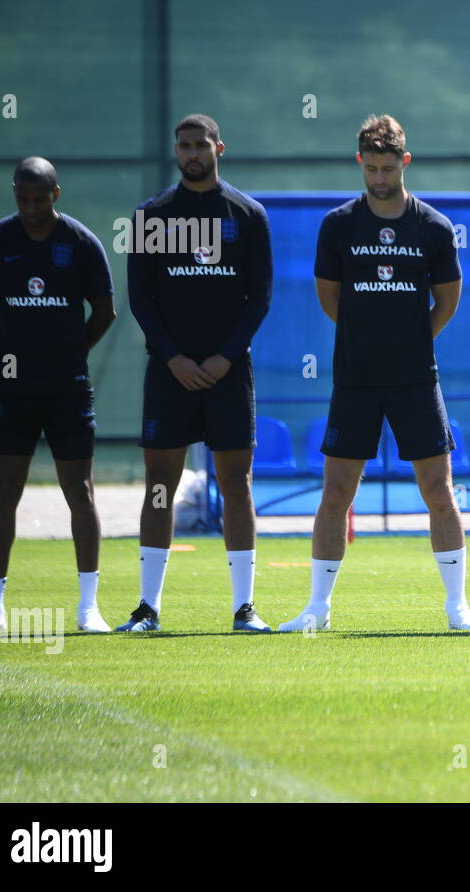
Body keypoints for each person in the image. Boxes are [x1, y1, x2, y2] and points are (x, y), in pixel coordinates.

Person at [277, 114, 470, 633]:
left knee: (439, 490)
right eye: (370, 168)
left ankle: (458, 608)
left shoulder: (433, 227)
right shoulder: (339, 225)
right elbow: (331, 298)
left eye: (387, 168)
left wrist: (409, 341)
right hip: (355, 379)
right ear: (360, 163)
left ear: (404, 163)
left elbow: (448, 301)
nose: (378, 178)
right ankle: (317, 609)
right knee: (336, 492)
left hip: (417, 377)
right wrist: (366, 339)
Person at [117, 114, 273, 633]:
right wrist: (174, 358)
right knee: (160, 485)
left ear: (218, 148)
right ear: (176, 151)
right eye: (183, 145)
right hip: (170, 373)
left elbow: (260, 298)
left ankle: (244, 609)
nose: (191, 153)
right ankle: (147, 608)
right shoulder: (151, 216)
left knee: (236, 483)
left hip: (230, 371)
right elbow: (141, 298)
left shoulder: (248, 215)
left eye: (199, 144)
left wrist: (225, 357)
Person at [0, 158, 115, 634]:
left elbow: (105, 311)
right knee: (5, 489)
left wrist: (71, 352)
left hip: (67, 386)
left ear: (56, 194)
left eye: (39, 198)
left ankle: (88, 607)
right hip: (13, 386)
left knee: (81, 490)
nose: (30, 207)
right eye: (22, 198)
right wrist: (15, 350)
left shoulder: (80, 243)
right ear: (15, 194)